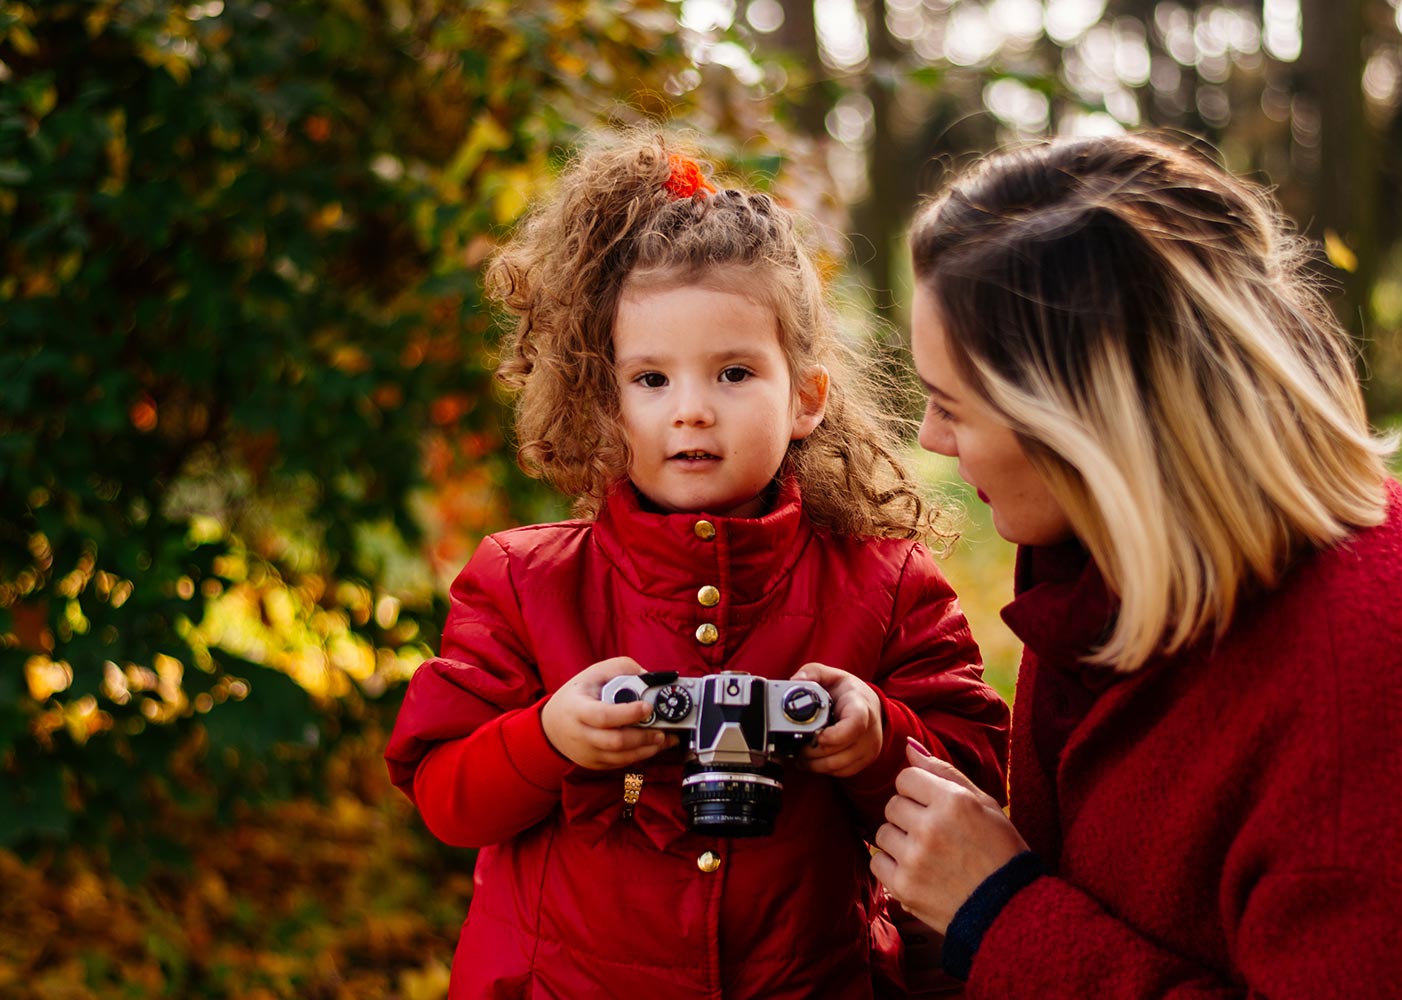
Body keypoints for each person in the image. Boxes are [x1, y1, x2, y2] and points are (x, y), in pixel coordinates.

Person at [383, 130, 1011, 1000]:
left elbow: (978, 785)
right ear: (605, 398)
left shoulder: (886, 584)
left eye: (733, 373)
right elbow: (445, 796)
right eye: (651, 380)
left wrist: (874, 737)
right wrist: (550, 736)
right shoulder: (525, 583)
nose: (691, 412)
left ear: (806, 398)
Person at [871, 132, 1402, 997]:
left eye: (952, 406)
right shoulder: (1110, 580)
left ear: (1083, 422)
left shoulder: (1366, 685)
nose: (929, 439)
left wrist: (998, 913)